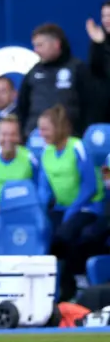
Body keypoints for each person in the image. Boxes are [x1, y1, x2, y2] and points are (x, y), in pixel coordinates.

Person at [37, 104, 105, 302]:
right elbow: (44, 189)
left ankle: (79, 281)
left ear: (58, 128)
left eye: (45, 129)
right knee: (47, 236)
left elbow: (90, 186)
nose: (41, 134)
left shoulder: (77, 146)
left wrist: (72, 211)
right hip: (62, 208)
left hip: (87, 207)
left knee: (67, 235)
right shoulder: (45, 152)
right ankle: (60, 288)